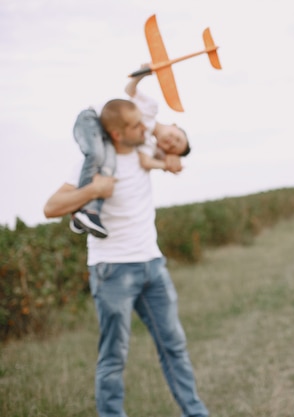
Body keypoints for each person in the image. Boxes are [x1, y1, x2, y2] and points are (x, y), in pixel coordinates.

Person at [43, 98, 209, 417]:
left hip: (153, 266)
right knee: (114, 356)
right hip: (112, 271)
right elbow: (51, 207)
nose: (145, 128)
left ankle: (196, 413)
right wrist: (92, 191)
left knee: (174, 347)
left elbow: (172, 148)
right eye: (136, 125)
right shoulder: (92, 164)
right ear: (118, 134)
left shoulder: (144, 151)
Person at [70, 69, 190, 239]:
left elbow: (146, 162)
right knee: (96, 155)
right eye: (177, 138)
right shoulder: (150, 108)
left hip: (107, 136)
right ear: (175, 125)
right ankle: (80, 209)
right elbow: (130, 90)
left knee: (108, 165)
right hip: (93, 120)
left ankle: (87, 213)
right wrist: (142, 75)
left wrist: (169, 163)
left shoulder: (144, 142)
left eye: (173, 148)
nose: (172, 143)